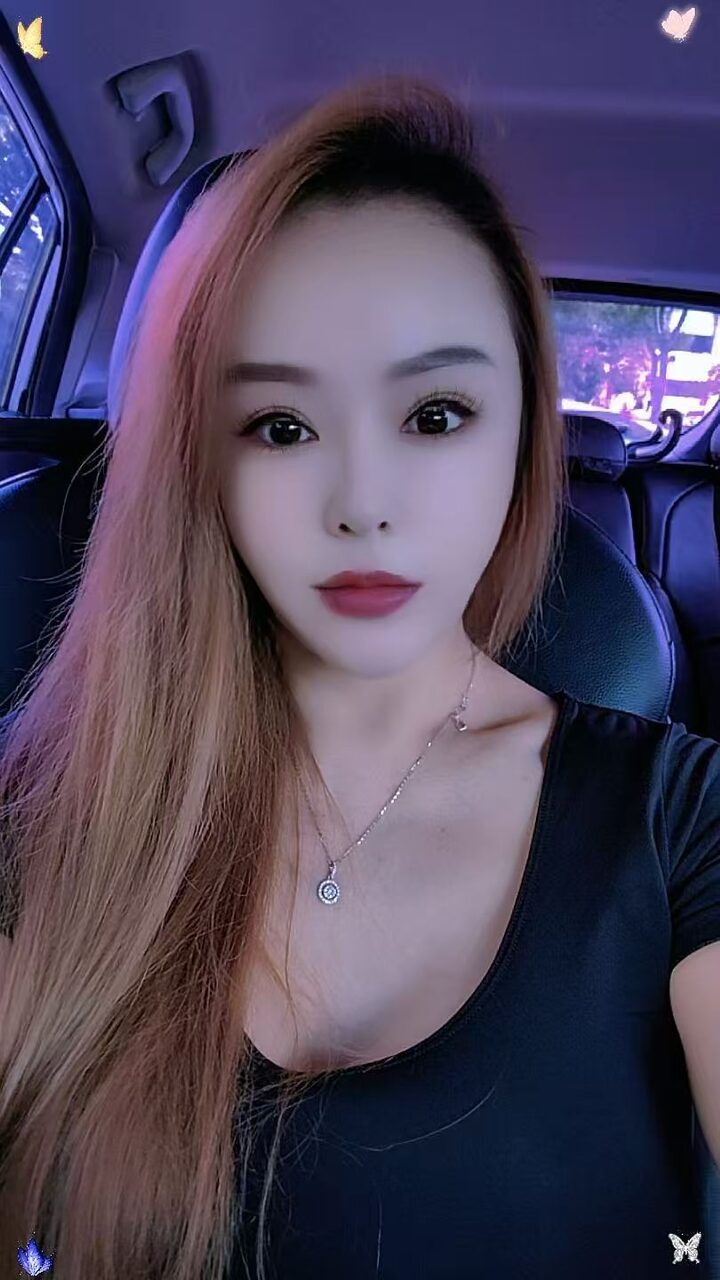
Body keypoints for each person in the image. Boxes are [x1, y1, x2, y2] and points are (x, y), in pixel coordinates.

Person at [0, 73, 719, 1280]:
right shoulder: (50, 809)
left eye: (435, 413)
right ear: (200, 462)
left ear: (523, 433)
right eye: (281, 426)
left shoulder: (682, 819)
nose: (364, 505)